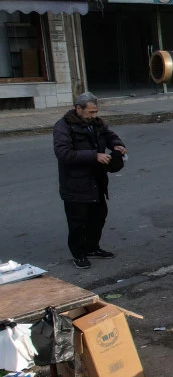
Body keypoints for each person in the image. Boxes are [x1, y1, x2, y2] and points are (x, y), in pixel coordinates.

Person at [53, 92, 126, 269]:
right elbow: (63, 153)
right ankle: (79, 254)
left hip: (97, 181)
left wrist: (117, 144)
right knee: (78, 222)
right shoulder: (63, 126)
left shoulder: (97, 123)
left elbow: (109, 135)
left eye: (96, 112)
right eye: (91, 112)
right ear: (79, 108)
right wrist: (94, 156)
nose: (95, 115)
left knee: (98, 217)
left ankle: (93, 247)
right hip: (75, 184)